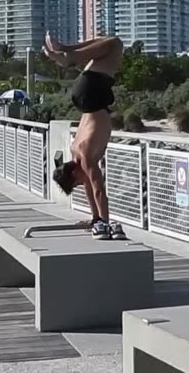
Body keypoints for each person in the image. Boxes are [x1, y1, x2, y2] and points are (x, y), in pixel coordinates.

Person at [45, 31, 127, 241]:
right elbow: (92, 189)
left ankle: (69, 55)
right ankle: (65, 49)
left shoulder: (86, 156)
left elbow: (99, 191)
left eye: (77, 184)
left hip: (92, 93)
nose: (83, 184)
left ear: (73, 175)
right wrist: (96, 218)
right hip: (85, 94)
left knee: (115, 43)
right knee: (106, 44)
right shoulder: (76, 153)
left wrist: (105, 224)